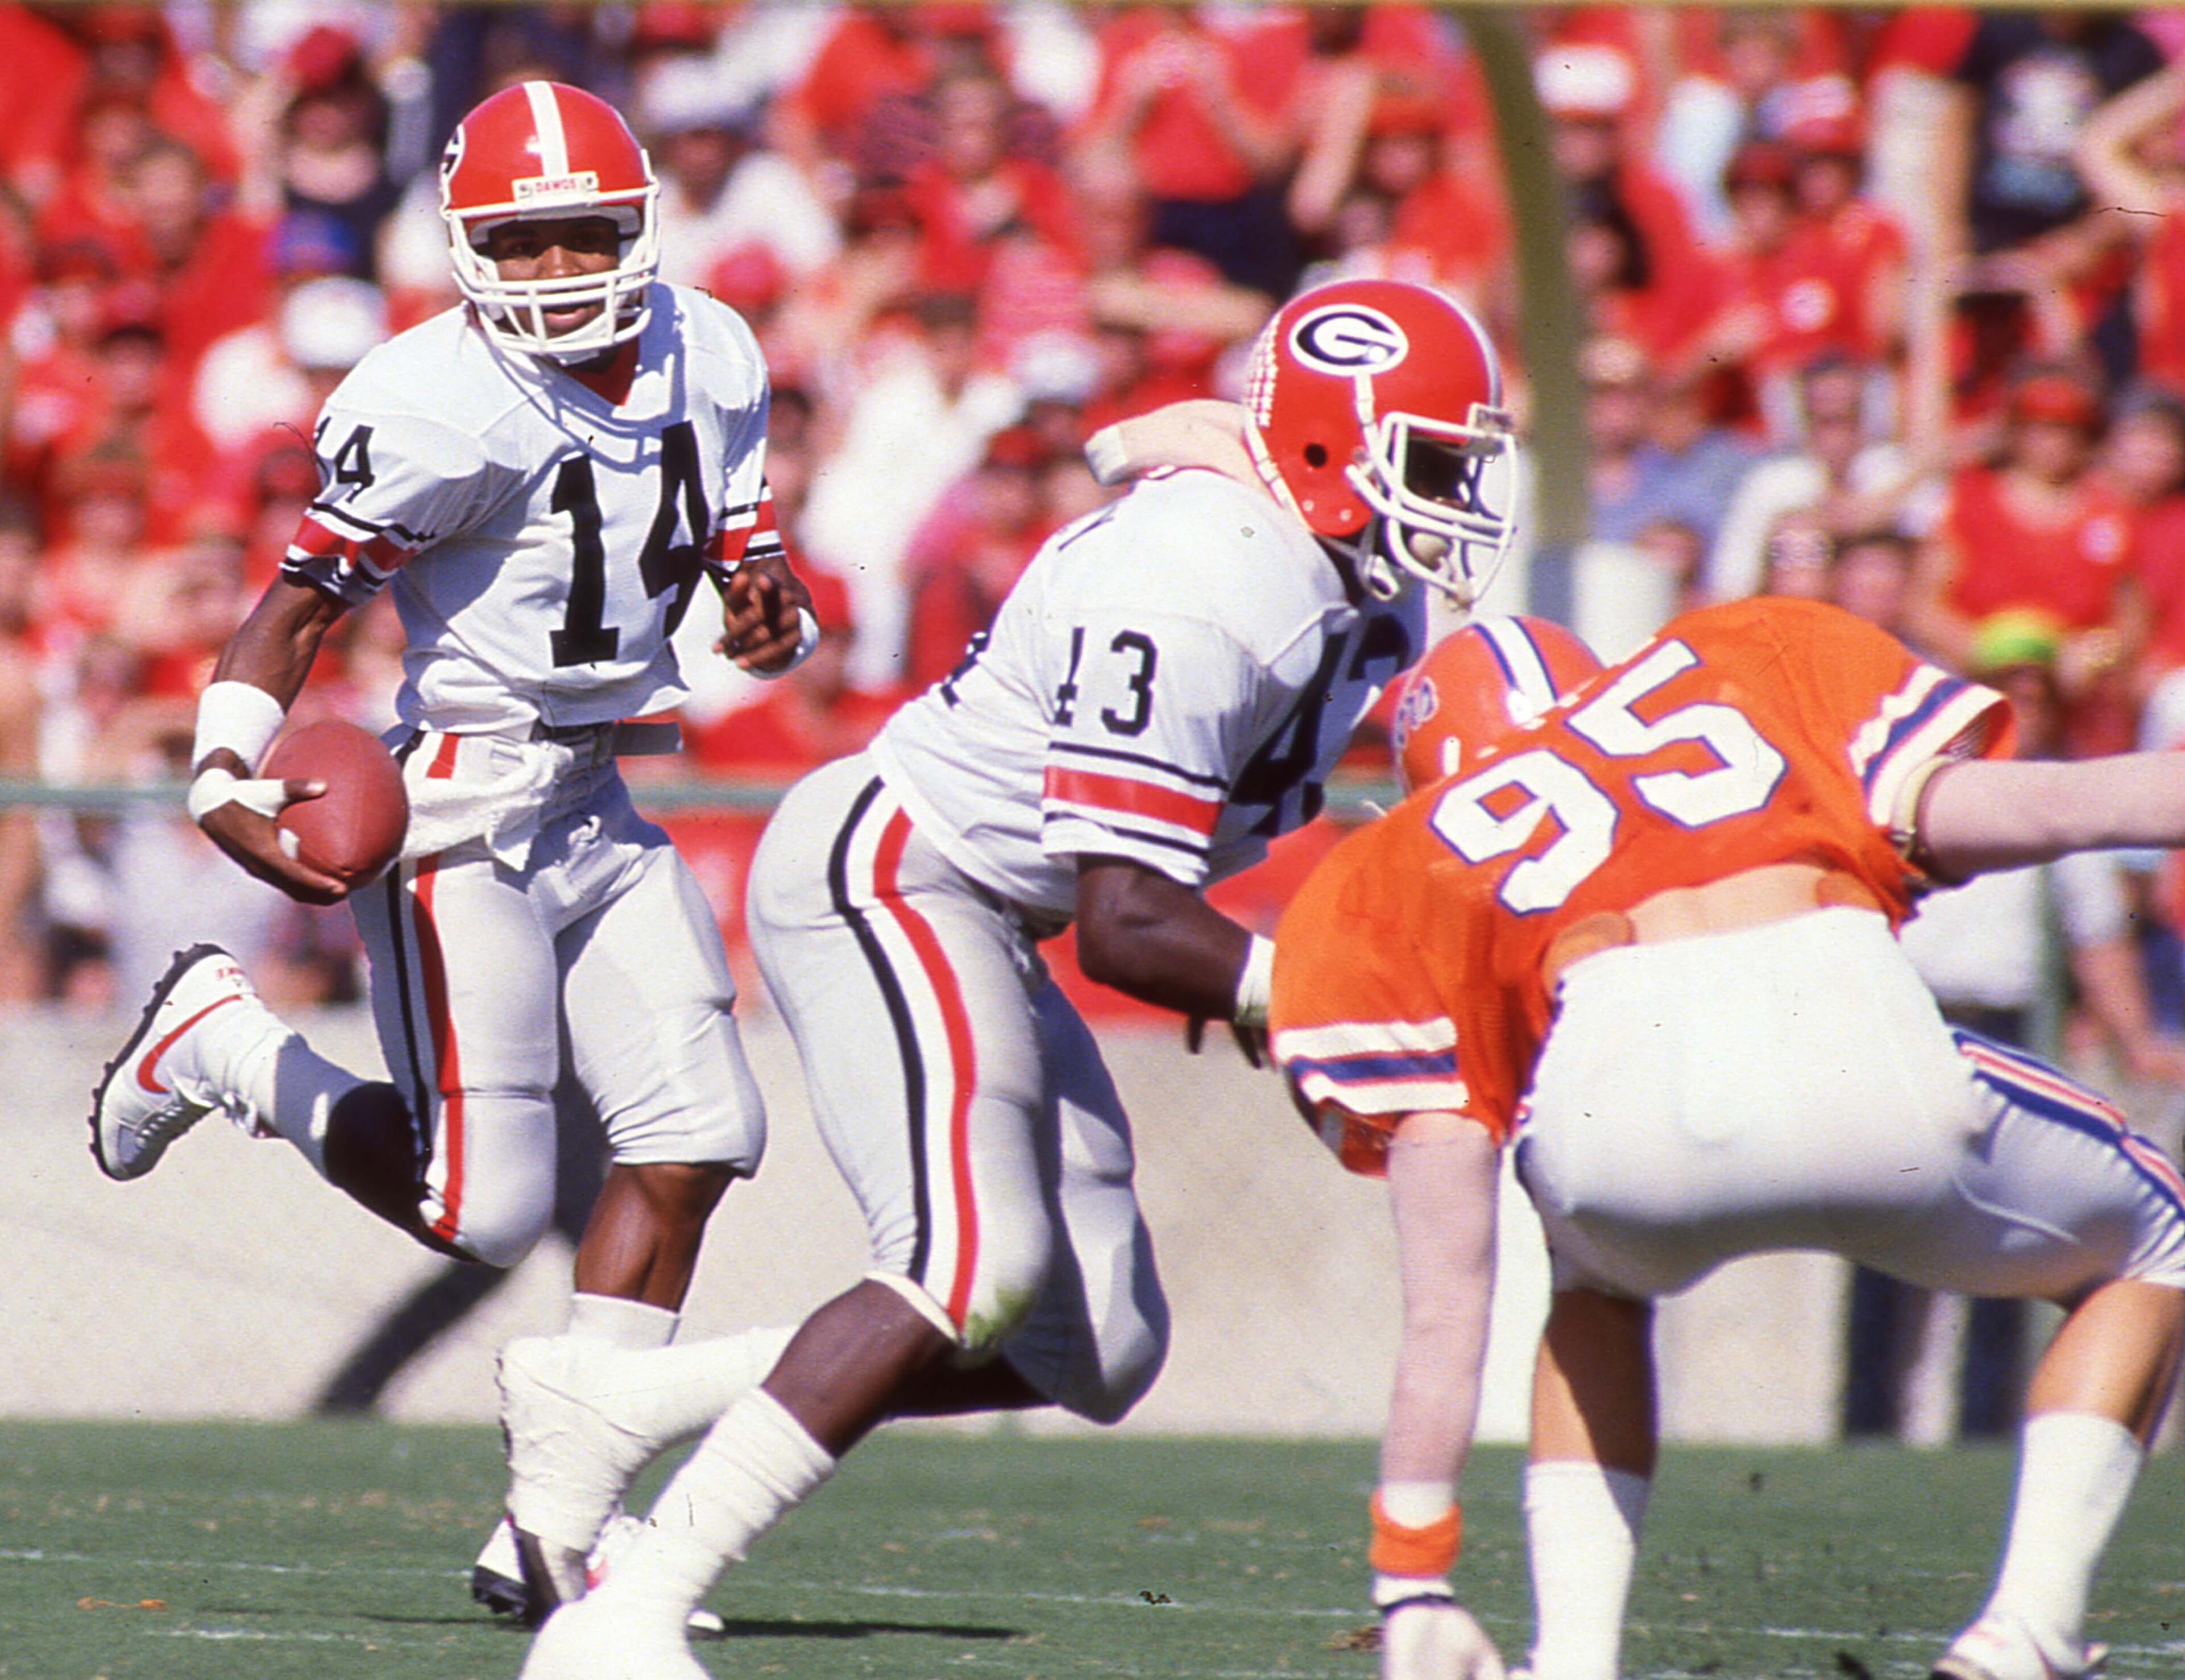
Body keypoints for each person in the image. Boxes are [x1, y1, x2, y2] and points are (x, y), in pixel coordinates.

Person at [497, 276, 1518, 1678]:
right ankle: (632, 1607)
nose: (1460, 499)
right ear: (1336, 453)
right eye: (1436, 462)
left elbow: (1169, 896)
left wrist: (1304, 989)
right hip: (893, 872)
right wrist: (1305, 1005)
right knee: (966, 1267)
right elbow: (1128, 924)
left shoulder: (1345, 593)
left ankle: (616, 1397)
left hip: (986, 907)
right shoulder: (1208, 570)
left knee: (1092, 1342)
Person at [84, 80, 813, 1623]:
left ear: (641, 226)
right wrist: (222, 763)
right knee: (482, 1209)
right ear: (474, 248)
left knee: (697, 1142)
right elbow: (297, 606)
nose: (558, 270)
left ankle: (555, 1525)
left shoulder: (715, 347)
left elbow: (743, 555)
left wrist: (768, 603)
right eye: (525, 242)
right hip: (465, 808)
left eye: (584, 237)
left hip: (607, 801)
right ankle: (224, 1045)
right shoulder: (430, 398)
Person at [1270, 600, 2185, 1680]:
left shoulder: (1409, 863)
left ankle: (1570, 1658)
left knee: (1589, 1285)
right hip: (1843, 1030)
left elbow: (1447, 1308)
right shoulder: (1742, 666)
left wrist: (1413, 1574)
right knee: (2154, 1234)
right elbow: (2060, 803)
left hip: (1611, 1108)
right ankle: (2025, 1628)